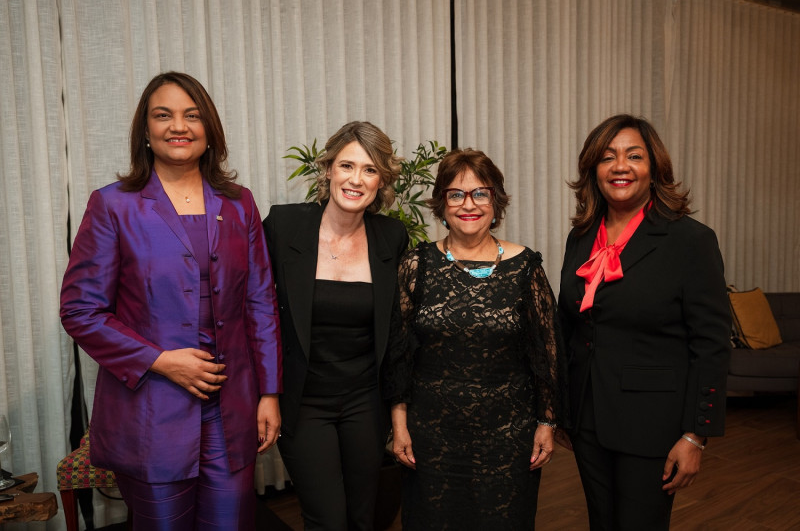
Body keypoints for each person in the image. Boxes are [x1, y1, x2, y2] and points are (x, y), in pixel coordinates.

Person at [60, 71, 282, 530]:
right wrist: (160, 361)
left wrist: (269, 393)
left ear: (209, 129)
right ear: (145, 130)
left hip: (231, 408)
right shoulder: (113, 205)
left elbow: (260, 303)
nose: (178, 126)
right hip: (151, 410)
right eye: (163, 115)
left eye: (192, 115)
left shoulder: (239, 203)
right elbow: (81, 311)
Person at [559, 114, 731, 530]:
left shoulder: (690, 240)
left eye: (634, 156)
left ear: (655, 169)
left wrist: (695, 435)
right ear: (593, 171)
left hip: (652, 424)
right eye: (607, 157)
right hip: (588, 419)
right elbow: (571, 328)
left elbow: (711, 344)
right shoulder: (582, 236)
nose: (620, 166)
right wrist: (562, 409)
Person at [383, 148, 567, 529]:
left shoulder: (526, 268)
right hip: (431, 438)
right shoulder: (416, 265)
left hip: (507, 439)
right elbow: (398, 354)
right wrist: (399, 426)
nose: (469, 204)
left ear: (496, 202)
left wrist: (547, 424)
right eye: (456, 194)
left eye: (480, 193)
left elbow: (547, 354)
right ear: (442, 204)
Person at [263, 121, 408, 530]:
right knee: (326, 519)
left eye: (370, 169)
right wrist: (265, 393)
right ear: (327, 169)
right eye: (347, 165)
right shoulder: (283, 226)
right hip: (304, 401)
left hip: (365, 401)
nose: (356, 179)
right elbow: (257, 314)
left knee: (364, 517)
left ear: (382, 181)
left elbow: (399, 331)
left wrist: (399, 414)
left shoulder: (392, 237)